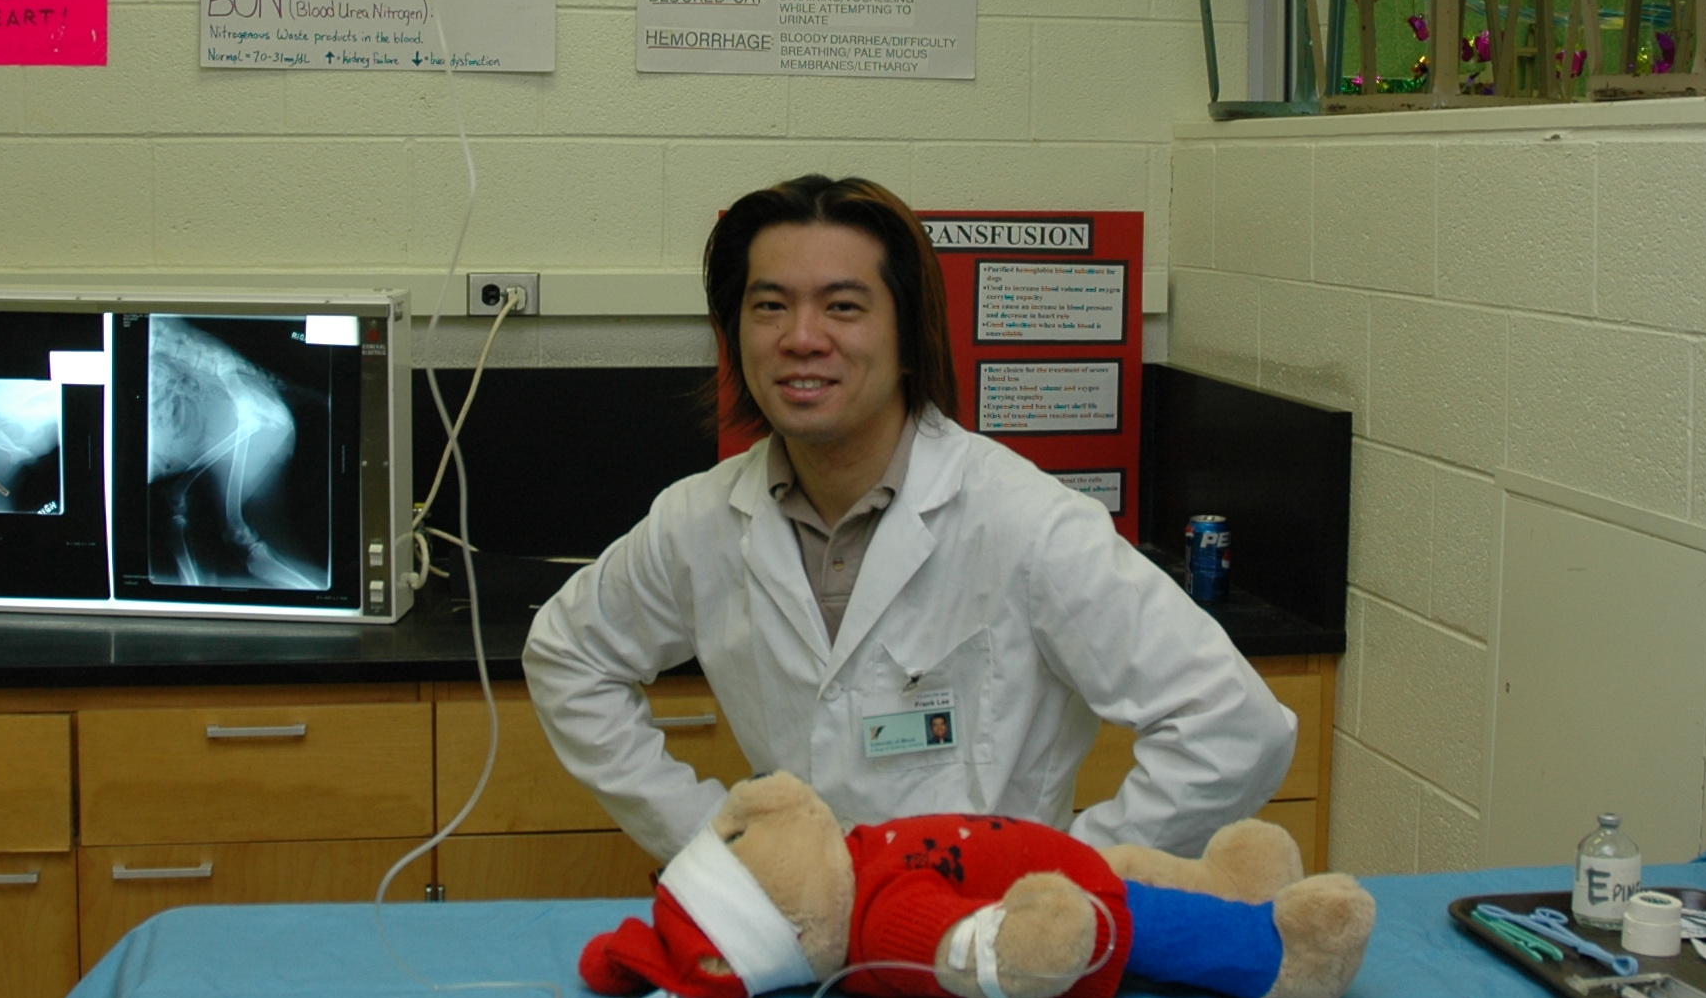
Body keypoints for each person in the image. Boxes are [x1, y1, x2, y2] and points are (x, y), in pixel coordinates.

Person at [522, 174, 1294, 862]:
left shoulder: (1024, 523)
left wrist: (1059, 878)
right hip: (797, 935)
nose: (801, 338)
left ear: (906, 339)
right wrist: (709, 842)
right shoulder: (700, 521)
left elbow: (1236, 729)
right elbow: (568, 656)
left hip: (980, 945)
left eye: (843, 306)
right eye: (769, 306)